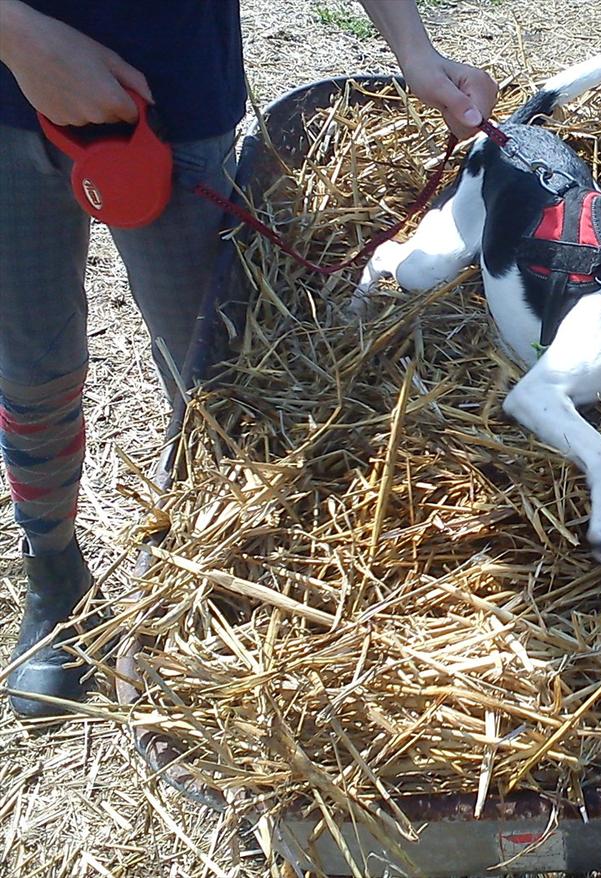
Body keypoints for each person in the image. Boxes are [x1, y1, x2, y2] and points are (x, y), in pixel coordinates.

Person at [0, 1, 498, 719]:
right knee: (31, 362)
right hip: (8, 94)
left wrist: (416, 53)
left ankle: (208, 569)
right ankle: (53, 571)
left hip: (172, 89)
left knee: (208, 370)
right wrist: (18, 37)